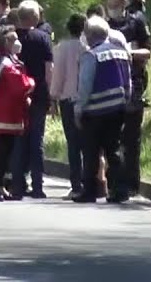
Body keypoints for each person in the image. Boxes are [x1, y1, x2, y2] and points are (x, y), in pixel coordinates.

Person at [72, 15, 133, 204]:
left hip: (95, 111)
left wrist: (78, 109)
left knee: (91, 152)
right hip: (117, 109)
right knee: (113, 150)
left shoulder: (91, 55)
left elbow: (85, 86)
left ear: (89, 35)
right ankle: (120, 189)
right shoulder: (122, 52)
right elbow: (128, 80)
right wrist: (126, 100)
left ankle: (89, 191)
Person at [105, 0, 151, 197]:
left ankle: (130, 183)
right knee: (113, 136)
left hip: (133, 83)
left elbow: (146, 52)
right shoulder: (104, 23)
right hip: (110, 83)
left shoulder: (137, 21)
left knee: (130, 137)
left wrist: (124, 54)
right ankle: (114, 183)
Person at [0, 25, 33, 201]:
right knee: (0, 153)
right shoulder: (4, 62)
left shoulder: (2, 59)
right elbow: (21, 84)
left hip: (2, 113)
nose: (17, 42)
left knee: (3, 152)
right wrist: (32, 83)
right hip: (2, 114)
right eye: (12, 39)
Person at [9, 0, 54, 199]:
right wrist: (51, 95)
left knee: (18, 139)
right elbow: (48, 69)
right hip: (38, 95)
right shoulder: (43, 38)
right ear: (36, 18)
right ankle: (38, 185)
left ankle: (17, 185)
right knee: (37, 140)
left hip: (16, 95)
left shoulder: (11, 38)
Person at [49, 14, 88, 199]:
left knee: (73, 144)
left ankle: (76, 185)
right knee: (88, 143)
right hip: (87, 99)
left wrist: (53, 98)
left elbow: (58, 76)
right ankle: (91, 182)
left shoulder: (61, 48)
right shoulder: (87, 47)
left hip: (67, 99)